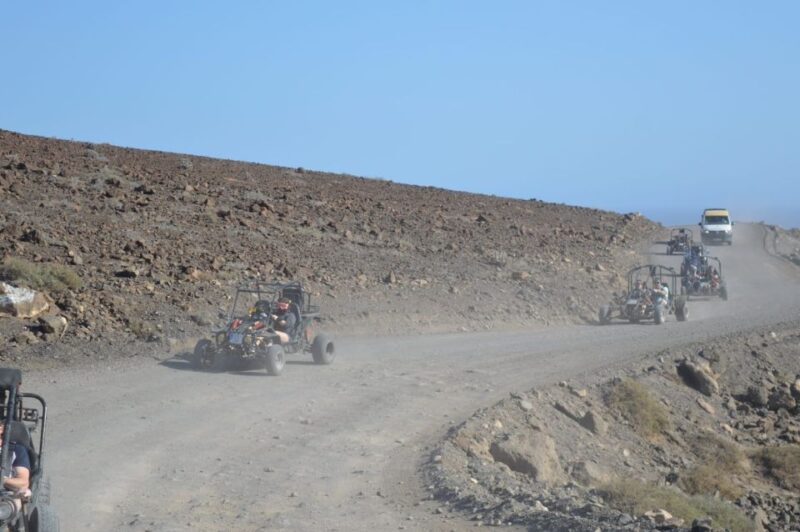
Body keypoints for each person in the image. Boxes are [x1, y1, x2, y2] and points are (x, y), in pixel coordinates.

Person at [0, 422, 30, 510]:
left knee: (24, 492)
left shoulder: (16, 451)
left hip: (7, 495)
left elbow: (23, 482)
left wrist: (3, 479)